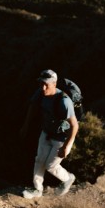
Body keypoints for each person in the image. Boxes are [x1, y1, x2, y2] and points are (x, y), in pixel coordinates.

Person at [19, 69, 78, 198]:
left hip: (62, 138)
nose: (43, 87)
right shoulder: (40, 93)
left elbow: (74, 125)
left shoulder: (64, 101)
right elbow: (32, 106)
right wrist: (25, 125)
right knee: (39, 160)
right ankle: (37, 189)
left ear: (54, 84)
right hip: (46, 133)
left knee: (51, 166)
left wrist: (66, 146)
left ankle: (68, 178)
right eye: (41, 83)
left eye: (47, 84)